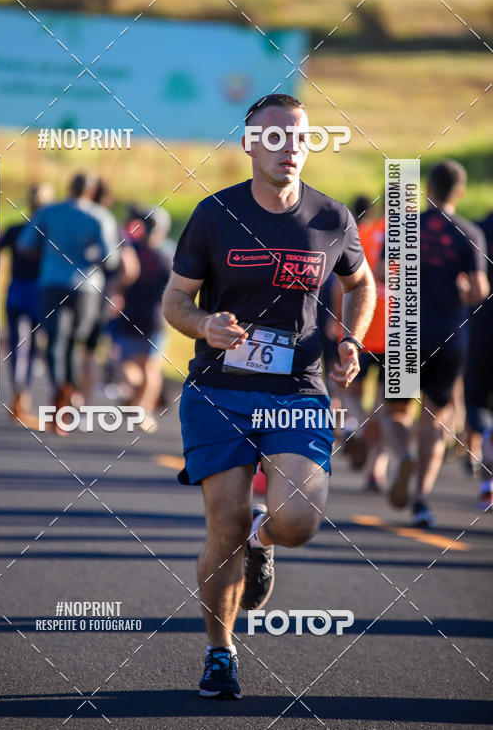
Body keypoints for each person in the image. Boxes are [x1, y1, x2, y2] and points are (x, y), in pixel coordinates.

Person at [162, 93, 376, 699]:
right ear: (250, 143)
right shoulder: (212, 215)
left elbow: (361, 286)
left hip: (297, 391)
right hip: (220, 391)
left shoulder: (332, 218)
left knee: (299, 519)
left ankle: (265, 542)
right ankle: (220, 652)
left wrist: (352, 340)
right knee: (223, 525)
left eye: (300, 137)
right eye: (275, 137)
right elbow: (174, 300)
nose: (290, 148)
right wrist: (203, 326)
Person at [385, 161, 489, 528]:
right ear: (459, 192)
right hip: (449, 337)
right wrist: (460, 288)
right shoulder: (470, 233)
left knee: (395, 411)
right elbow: (479, 291)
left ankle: (402, 456)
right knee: (435, 418)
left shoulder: (403, 224)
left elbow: (384, 273)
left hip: (405, 332)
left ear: (427, 188)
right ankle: (421, 501)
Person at [17, 173, 120, 433]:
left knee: (55, 340)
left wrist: (50, 251)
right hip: (86, 286)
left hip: (52, 281)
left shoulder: (49, 212)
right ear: (91, 190)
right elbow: (112, 259)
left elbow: (25, 244)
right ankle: (70, 392)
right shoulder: (99, 216)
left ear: (68, 187)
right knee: (76, 342)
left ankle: (60, 387)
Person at [336, 195, 388, 489]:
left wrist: (338, 324)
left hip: (364, 333)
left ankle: (359, 422)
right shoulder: (414, 236)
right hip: (400, 336)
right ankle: (378, 470)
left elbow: (345, 282)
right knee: (392, 410)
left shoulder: (361, 233)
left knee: (346, 390)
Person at [110, 206, 172, 433]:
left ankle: (135, 402)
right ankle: (142, 410)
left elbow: (118, 277)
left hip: (128, 316)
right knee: (151, 369)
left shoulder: (130, 249)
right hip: (154, 318)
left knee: (125, 365)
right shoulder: (167, 255)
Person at [0, 183, 53, 424]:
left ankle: (21, 389)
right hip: (40, 292)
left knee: (18, 344)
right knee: (33, 345)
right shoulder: (50, 233)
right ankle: (26, 390)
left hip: (17, 290)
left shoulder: (15, 229)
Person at [463, 209, 493, 511]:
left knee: (476, 402)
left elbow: (475, 288)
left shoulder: (477, 229)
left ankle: (487, 485)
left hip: (480, 332)